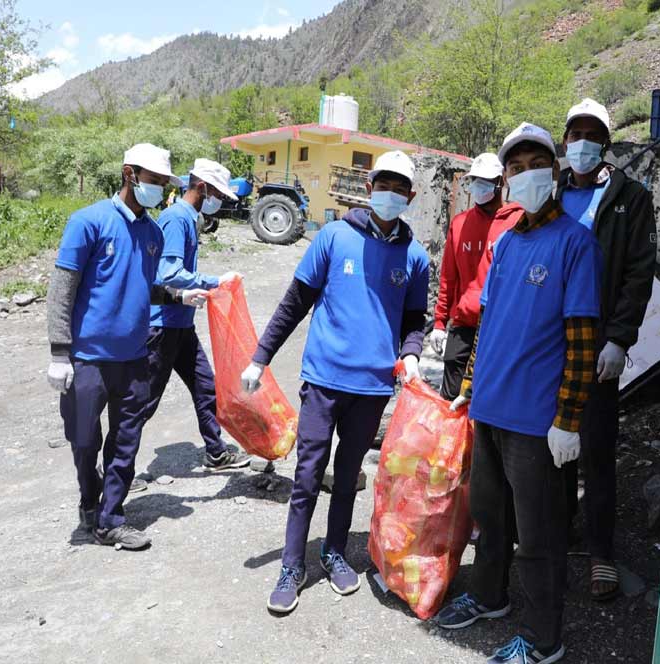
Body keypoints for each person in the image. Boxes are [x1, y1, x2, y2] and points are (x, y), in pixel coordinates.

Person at [435, 124, 602, 664]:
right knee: (490, 518)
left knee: (538, 537)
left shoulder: (575, 242)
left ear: (554, 173)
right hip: (490, 410)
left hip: (536, 423)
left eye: (536, 165)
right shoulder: (507, 243)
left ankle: (542, 639)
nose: (526, 175)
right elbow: (487, 326)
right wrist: (468, 388)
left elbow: (582, 339)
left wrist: (568, 420)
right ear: (506, 178)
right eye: (516, 167)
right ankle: (489, 597)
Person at [238, 150, 430, 614]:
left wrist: (411, 353)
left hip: (373, 388)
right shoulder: (333, 237)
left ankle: (334, 551)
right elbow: (295, 302)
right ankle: (291, 565)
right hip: (324, 380)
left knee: (348, 477)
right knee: (307, 474)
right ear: (369, 188)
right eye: (383, 184)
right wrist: (260, 358)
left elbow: (414, 320)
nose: (389, 193)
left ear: (410, 196)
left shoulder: (415, 256)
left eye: (399, 188)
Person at [46, 143, 208, 551]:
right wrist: (59, 352)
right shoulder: (88, 222)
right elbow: (62, 290)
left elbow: (144, 286)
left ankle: (111, 519)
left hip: (135, 358)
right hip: (87, 360)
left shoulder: (152, 233)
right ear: (128, 174)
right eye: (154, 181)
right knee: (84, 439)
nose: (159, 189)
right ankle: (90, 499)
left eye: (164, 183)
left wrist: (178, 296)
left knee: (125, 443)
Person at [558, 99, 657, 601]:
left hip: (597, 345)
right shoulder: (549, 192)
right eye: (575, 133)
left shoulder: (630, 197)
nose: (583, 142)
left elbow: (639, 272)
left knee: (596, 449)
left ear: (607, 143)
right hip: (548, 343)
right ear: (564, 140)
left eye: (592, 134)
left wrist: (620, 337)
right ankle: (556, 533)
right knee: (548, 446)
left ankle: (601, 552)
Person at [143, 158, 251, 471]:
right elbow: (169, 272)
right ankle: (112, 469)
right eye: (217, 193)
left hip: (181, 324)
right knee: (145, 400)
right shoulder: (177, 218)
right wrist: (215, 281)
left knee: (205, 386)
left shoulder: (189, 219)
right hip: (161, 326)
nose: (218, 201)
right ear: (202, 187)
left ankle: (216, 452)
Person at [430, 153, 516, 400]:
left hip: (499, 328)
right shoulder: (460, 223)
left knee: (489, 401)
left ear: (501, 181)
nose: (479, 185)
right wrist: (439, 323)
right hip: (463, 326)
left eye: (485, 180)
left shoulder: (517, 221)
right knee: (451, 401)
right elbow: (448, 277)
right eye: (475, 180)